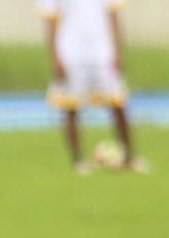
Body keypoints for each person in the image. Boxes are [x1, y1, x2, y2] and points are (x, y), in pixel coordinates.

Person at [40, 0, 146, 173]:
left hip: (103, 53)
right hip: (71, 52)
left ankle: (129, 157)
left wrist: (118, 51)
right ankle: (78, 161)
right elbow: (50, 21)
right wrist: (55, 58)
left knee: (118, 104)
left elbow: (114, 15)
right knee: (71, 108)